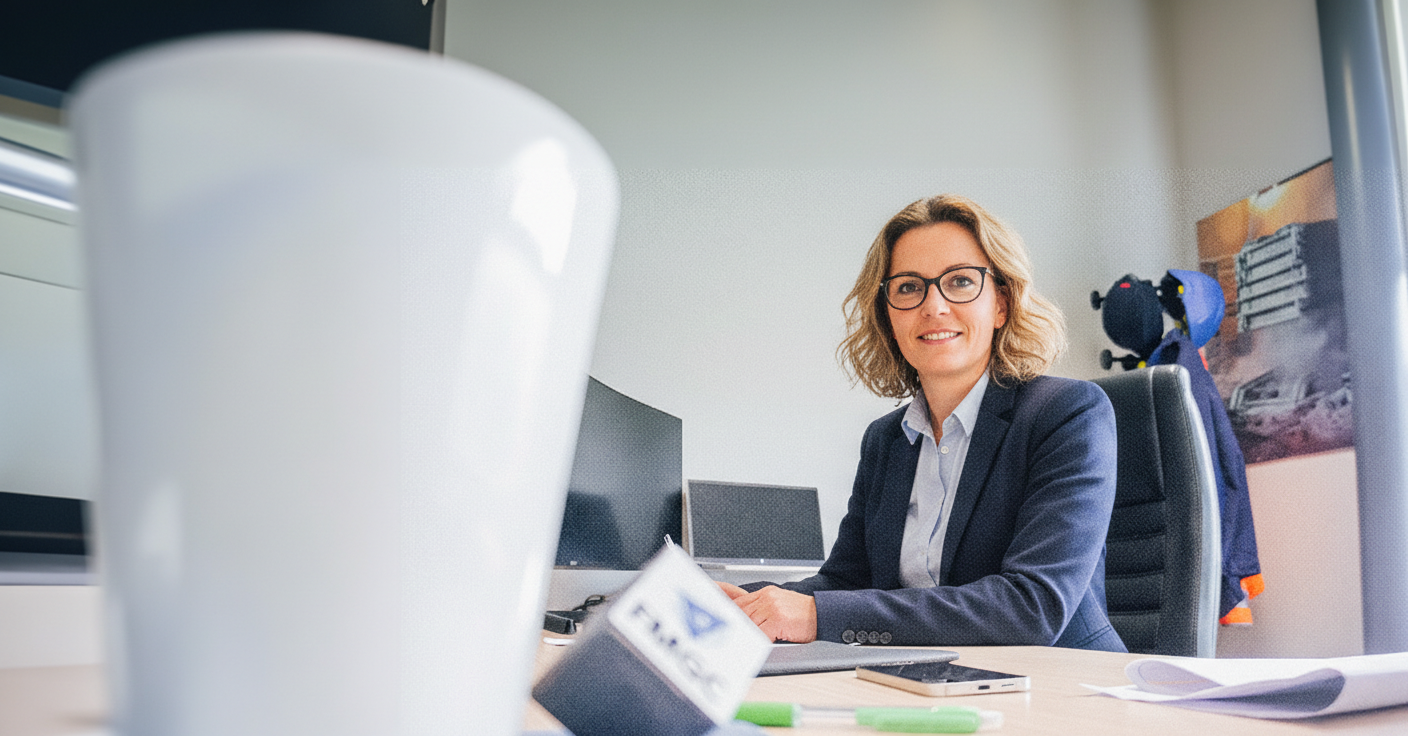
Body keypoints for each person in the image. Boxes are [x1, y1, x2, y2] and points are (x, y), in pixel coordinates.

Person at [719, 194, 1125, 652]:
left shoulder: (1067, 414)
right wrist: (737, 602)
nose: (934, 306)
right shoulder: (886, 440)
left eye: (960, 281)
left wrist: (815, 615)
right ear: (888, 315)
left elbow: (1030, 608)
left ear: (1001, 305)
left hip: (1063, 687)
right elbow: (847, 581)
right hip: (930, 675)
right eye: (909, 287)